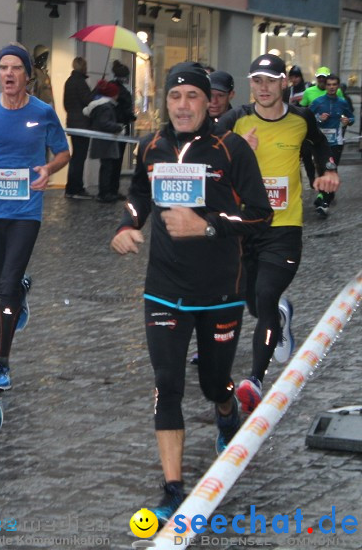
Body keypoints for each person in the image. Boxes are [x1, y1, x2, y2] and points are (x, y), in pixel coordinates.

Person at [110, 62, 272, 523]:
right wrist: (127, 223)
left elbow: (260, 215)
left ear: (208, 102)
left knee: (212, 382)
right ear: (166, 101)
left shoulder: (231, 148)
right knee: (168, 384)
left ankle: (226, 407)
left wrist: (208, 226)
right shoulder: (151, 146)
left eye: (192, 97)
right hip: (164, 287)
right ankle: (173, 488)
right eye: (175, 96)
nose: (183, 106)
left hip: (220, 289)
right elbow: (139, 194)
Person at [216, 54, 339, 417]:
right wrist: (238, 152)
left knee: (267, 294)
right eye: (257, 80)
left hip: (284, 228)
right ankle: (280, 317)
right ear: (250, 83)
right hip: (242, 227)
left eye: (270, 80)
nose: (264, 88)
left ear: (284, 82)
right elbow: (209, 158)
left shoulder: (300, 119)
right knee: (253, 302)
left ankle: (254, 381)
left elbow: (320, 146)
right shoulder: (235, 120)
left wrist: (326, 171)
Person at [0, 44, 70, 392]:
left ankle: (1, 361)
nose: (9, 74)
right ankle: (22, 287)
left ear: (28, 75)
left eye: (16, 68)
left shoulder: (43, 112)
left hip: (26, 211)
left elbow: (63, 152)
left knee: (6, 288)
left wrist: (48, 168)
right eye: (3, 67)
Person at [307, 74, 353, 211]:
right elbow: (307, 118)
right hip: (320, 143)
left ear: (338, 86)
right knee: (321, 169)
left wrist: (348, 121)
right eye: (329, 85)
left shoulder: (342, 102)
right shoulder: (318, 101)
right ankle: (325, 196)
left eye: (334, 85)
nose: (332, 87)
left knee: (331, 168)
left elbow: (351, 117)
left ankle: (324, 200)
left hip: (336, 142)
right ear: (325, 86)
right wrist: (319, 118)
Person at [84, 79, 124, 203]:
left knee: (106, 167)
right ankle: (105, 193)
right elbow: (104, 123)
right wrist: (118, 127)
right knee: (107, 168)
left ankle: (105, 192)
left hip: (102, 142)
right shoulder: (106, 107)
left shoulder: (100, 106)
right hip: (106, 142)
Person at [63, 56, 94, 199]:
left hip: (72, 123)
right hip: (82, 123)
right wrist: (96, 90)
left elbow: (66, 104)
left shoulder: (69, 82)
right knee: (79, 157)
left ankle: (71, 187)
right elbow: (88, 100)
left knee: (76, 156)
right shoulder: (81, 83)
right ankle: (76, 188)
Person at [108, 60, 137, 200]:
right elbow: (125, 111)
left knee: (111, 162)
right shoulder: (122, 91)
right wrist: (132, 116)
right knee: (116, 162)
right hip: (119, 127)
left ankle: (111, 189)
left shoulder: (110, 87)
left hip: (112, 128)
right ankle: (111, 190)